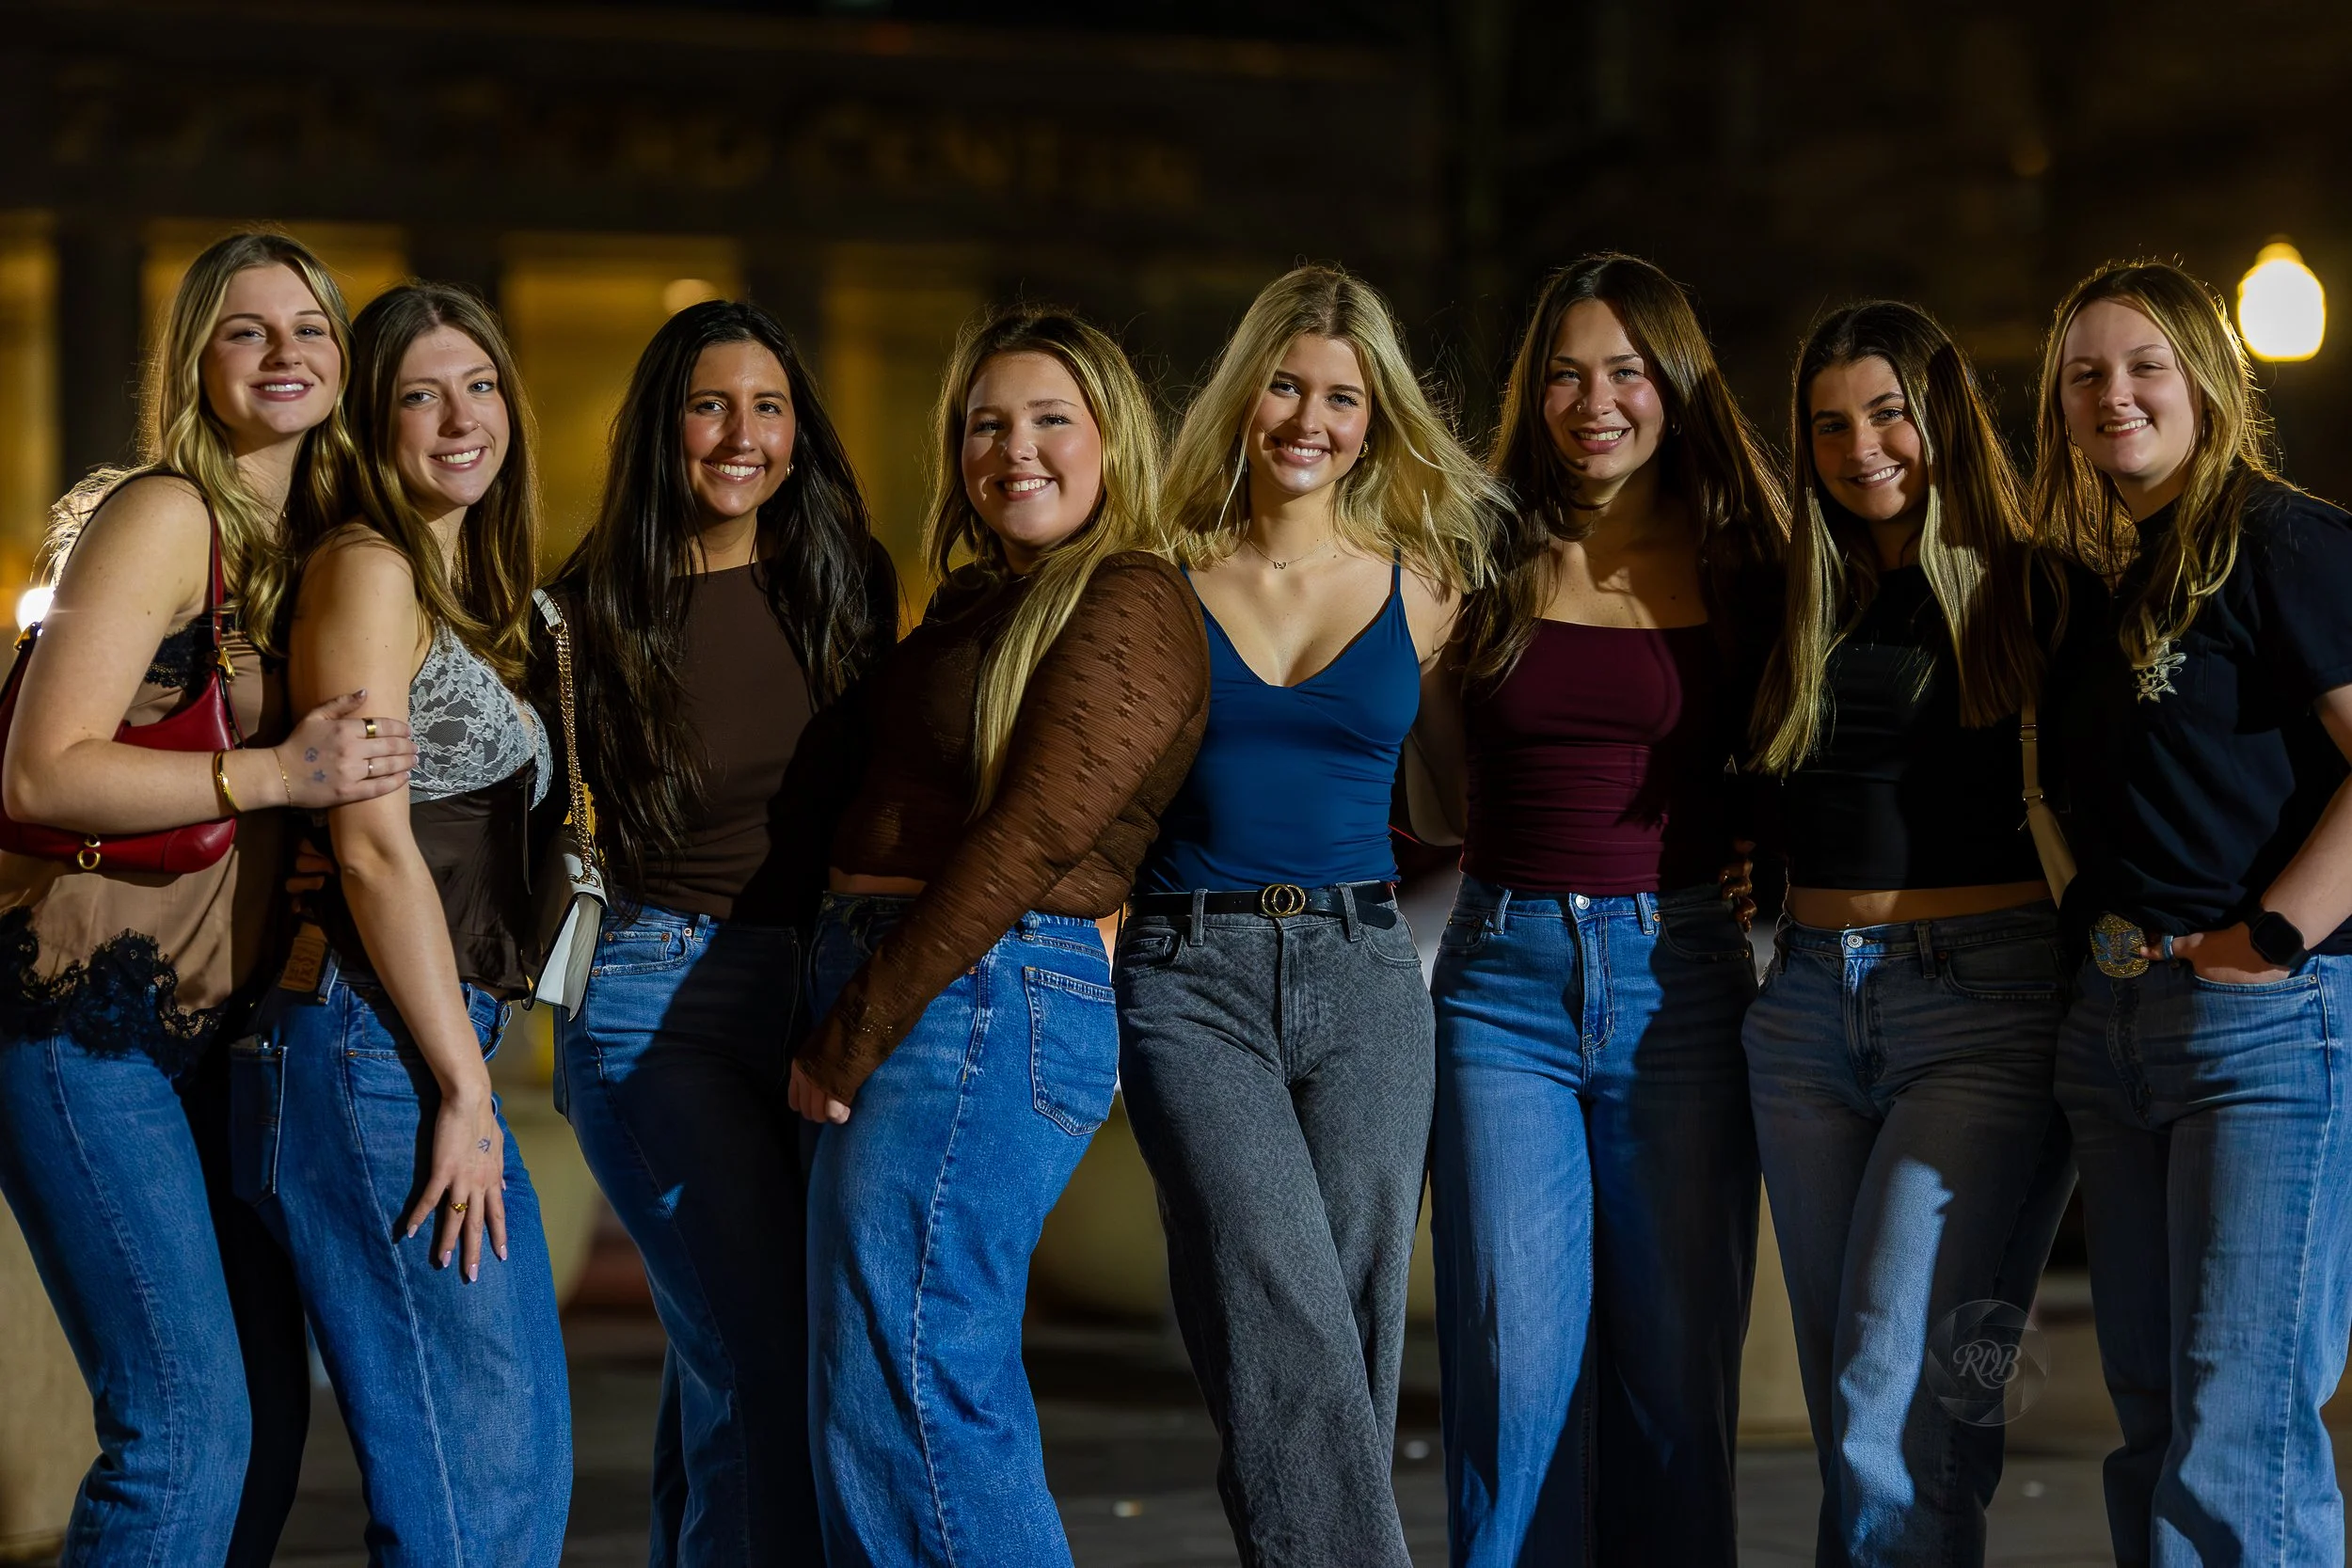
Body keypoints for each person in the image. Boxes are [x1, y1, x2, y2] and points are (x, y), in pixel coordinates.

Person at [0, 231, 414, 1566]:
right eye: (249, 329)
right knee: (184, 1433)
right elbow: (41, 765)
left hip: (209, 1037)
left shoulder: (306, 540)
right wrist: (274, 767)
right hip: (85, 1019)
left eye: (311, 327)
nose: (286, 352)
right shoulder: (165, 512)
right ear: (198, 361)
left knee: (263, 1434)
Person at [787, 306, 1208, 1566]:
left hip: (976, 991)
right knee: (876, 1377)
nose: (1012, 449)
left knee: (919, 1364)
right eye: (984, 424)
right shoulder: (986, 603)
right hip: (922, 978)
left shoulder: (1130, 596)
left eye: (1048, 420)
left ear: (1110, 441)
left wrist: (857, 1027)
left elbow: (1029, 839)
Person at [1117, 263, 1495, 1568]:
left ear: (1376, 417)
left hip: (1365, 970)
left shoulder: (1426, 591)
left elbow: (1451, 802)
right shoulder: (1156, 579)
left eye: (1341, 395)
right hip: (1187, 971)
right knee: (1270, 1288)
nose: (1310, 417)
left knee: (1344, 1320)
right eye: (1286, 383)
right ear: (1243, 394)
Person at [1410, 253, 1781, 1566]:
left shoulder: (1753, 560)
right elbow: (1443, 791)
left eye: (1626, 371)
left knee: (1677, 1378)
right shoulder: (1476, 548)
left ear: (1675, 385)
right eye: (1565, 373)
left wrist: (1767, 853)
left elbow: (1815, 744)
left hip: (1677, 977)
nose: (1594, 400)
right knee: (1513, 1377)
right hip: (1502, 977)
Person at [547, 298, 897, 1566]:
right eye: (709, 404)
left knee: (730, 1373)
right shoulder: (582, 615)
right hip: (654, 1011)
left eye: (767, 406)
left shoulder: (847, 583)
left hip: (814, 998)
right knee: (760, 1355)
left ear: (800, 434)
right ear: (662, 427)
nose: (739, 434)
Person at [1742, 300, 2090, 1566]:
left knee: (1896, 1393)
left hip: (1985, 1007)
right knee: (1878, 1397)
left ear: (1942, 417)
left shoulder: (2034, 587)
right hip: (1803, 1012)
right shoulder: (1792, 599)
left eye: (1890, 411)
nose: (1862, 445)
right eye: (1829, 423)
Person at [2037, 260, 2352, 1567]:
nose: (2117, 394)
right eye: (2085, 374)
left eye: (2146, 365)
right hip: (2121, 1033)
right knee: (2157, 1419)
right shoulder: (2116, 577)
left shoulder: (2285, 538)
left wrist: (2270, 938)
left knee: (2238, 1438)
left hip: (2261, 1039)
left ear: (2209, 381)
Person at [256, 280, 570, 1564]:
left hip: (414, 1033)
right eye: (419, 394)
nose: (460, 418)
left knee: (503, 1458)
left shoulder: (469, 590)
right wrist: (462, 1089)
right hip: (371, 1039)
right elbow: (372, 846)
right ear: (367, 424)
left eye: (481, 384)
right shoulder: (370, 567)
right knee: (474, 1475)